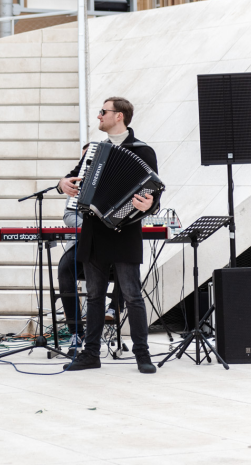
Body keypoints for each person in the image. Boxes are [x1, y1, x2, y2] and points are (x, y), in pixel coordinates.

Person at [58, 97, 160, 374]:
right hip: (94, 231)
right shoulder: (94, 151)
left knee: (132, 294)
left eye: (103, 112)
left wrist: (149, 204)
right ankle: (91, 353)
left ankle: (142, 354)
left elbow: (155, 194)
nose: (99, 116)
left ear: (119, 117)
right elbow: (71, 178)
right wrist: (62, 183)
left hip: (126, 232)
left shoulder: (143, 151)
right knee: (94, 296)